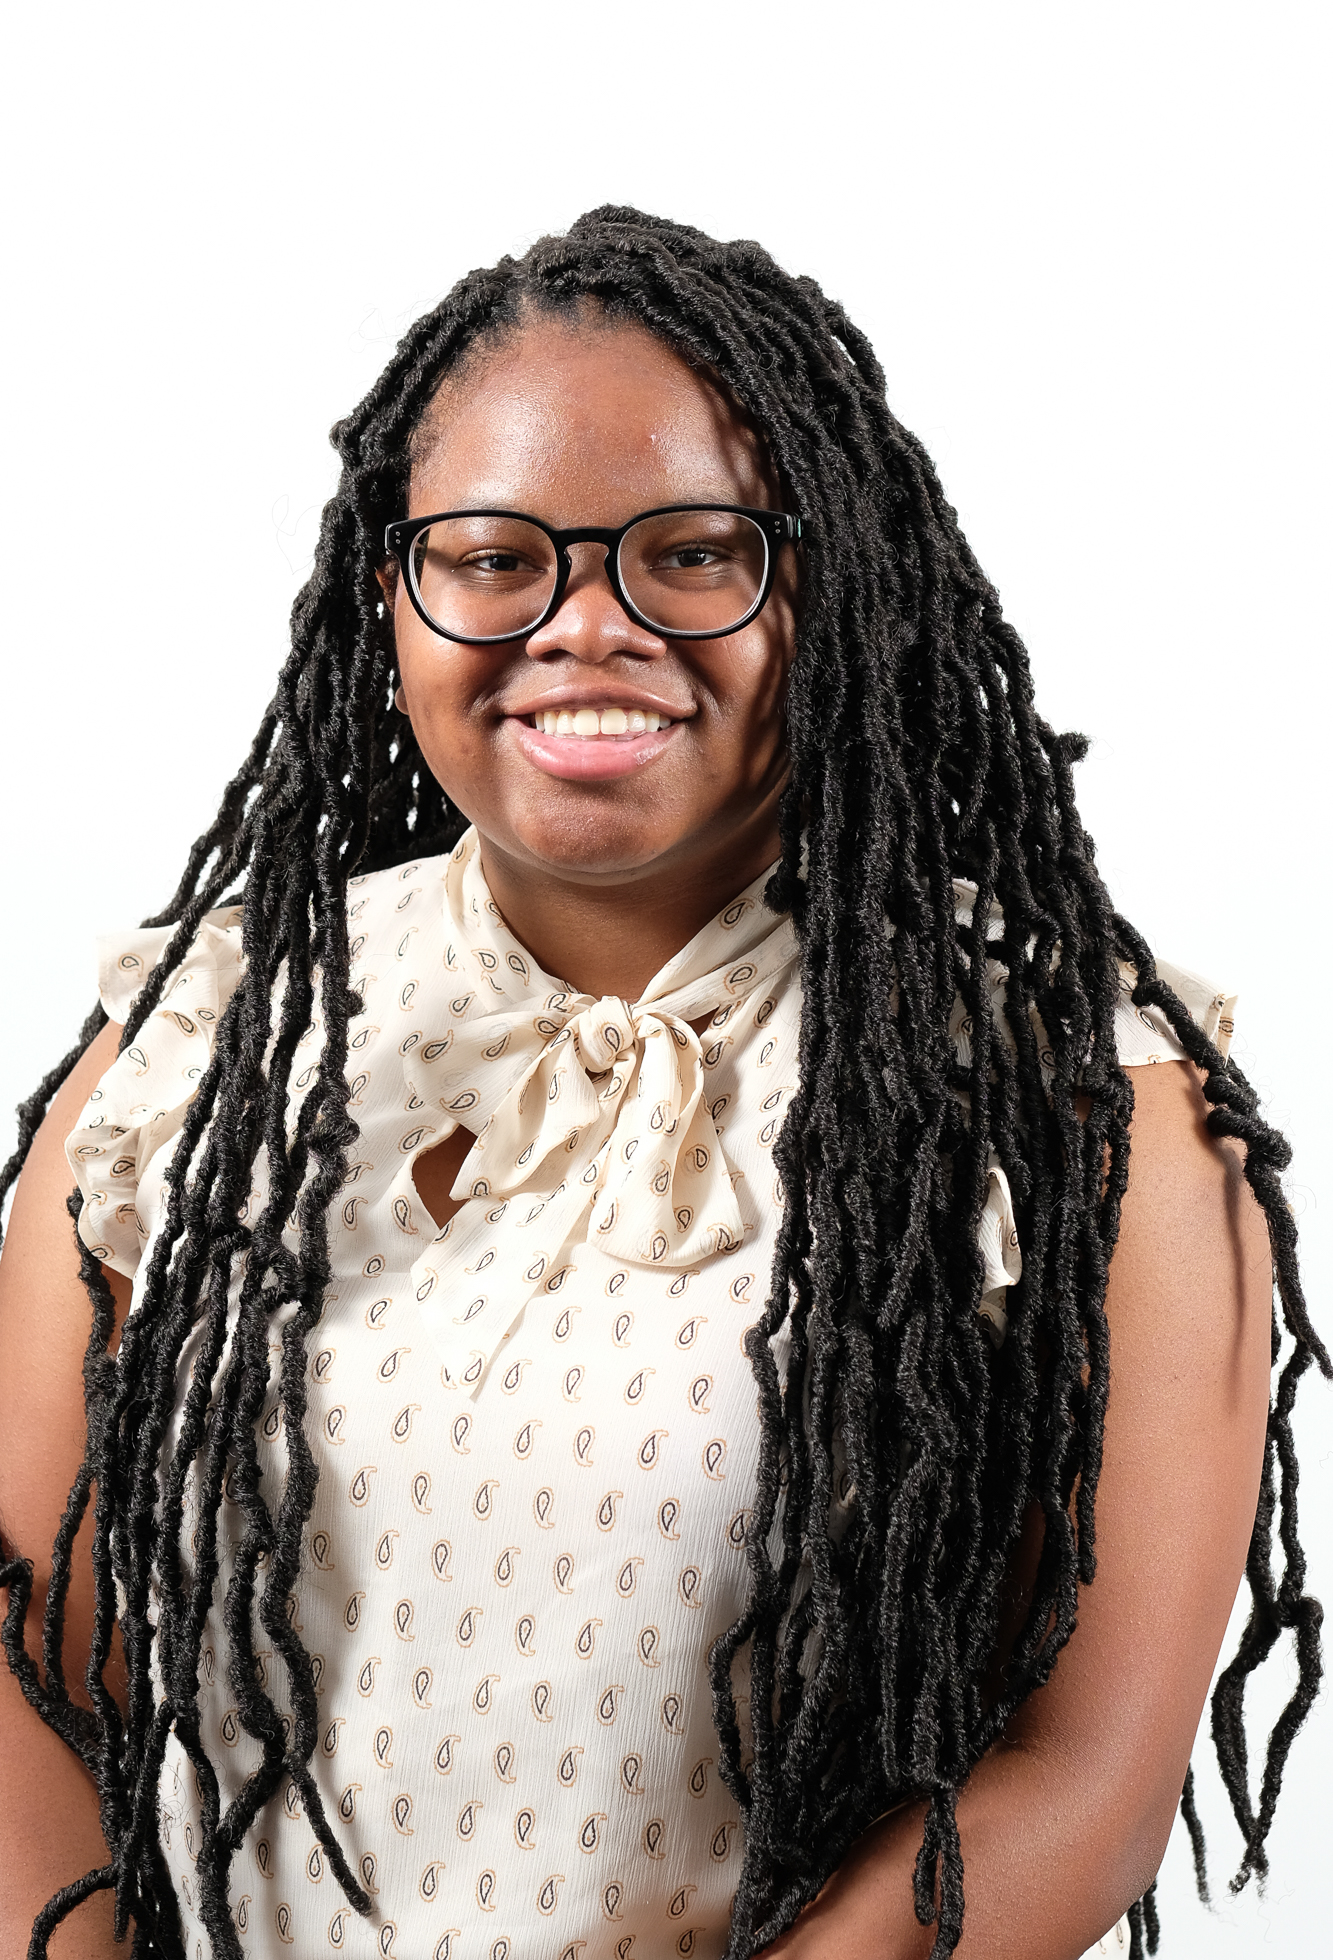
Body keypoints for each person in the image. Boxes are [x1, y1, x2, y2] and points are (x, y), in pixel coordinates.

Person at [0, 206, 1323, 1960]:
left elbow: (1076, 1777)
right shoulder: (208, 1041)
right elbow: (26, 1665)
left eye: (693, 554)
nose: (584, 627)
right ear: (389, 594)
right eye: (492, 558)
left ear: (829, 583)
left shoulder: (1081, 1096)